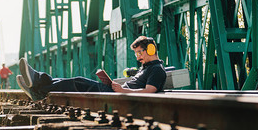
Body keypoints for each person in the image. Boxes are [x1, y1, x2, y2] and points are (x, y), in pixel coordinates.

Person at [16, 36, 167, 101]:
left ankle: (39, 87)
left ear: (152, 50)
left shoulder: (157, 70)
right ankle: (38, 83)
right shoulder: (146, 68)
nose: (138, 56)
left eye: (140, 52)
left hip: (117, 96)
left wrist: (123, 90)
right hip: (115, 92)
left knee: (78, 81)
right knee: (73, 81)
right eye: (136, 53)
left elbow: (150, 91)